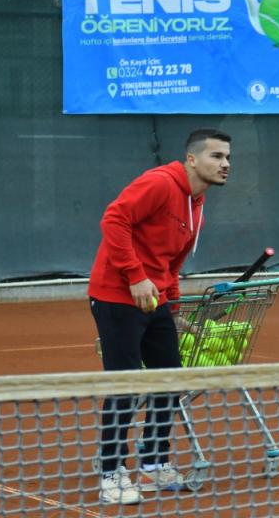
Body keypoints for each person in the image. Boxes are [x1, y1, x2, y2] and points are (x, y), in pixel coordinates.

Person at [88, 128, 231, 505]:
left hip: (155, 303)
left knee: (169, 379)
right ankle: (111, 472)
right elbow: (114, 220)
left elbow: (171, 262)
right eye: (216, 156)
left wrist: (173, 307)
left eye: (228, 157)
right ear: (192, 159)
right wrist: (135, 277)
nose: (226, 164)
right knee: (125, 384)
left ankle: (152, 464)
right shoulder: (159, 184)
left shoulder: (196, 204)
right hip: (116, 297)